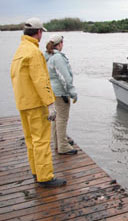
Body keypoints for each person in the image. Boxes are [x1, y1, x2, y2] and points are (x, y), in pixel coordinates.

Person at [10, 17, 66, 187]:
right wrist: (50, 104)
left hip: (23, 103)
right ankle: (45, 177)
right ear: (39, 32)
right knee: (41, 140)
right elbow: (40, 81)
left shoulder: (20, 50)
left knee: (30, 140)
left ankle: (36, 171)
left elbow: (15, 77)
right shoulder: (34, 52)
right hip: (36, 104)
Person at [44, 34, 78, 155]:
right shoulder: (58, 58)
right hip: (60, 93)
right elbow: (65, 78)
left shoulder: (48, 56)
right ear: (59, 44)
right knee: (62, 119)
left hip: (52, 92)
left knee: (56, 118)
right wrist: (72, 93)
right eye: (62, 43)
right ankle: (63, 146)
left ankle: (57, 143)